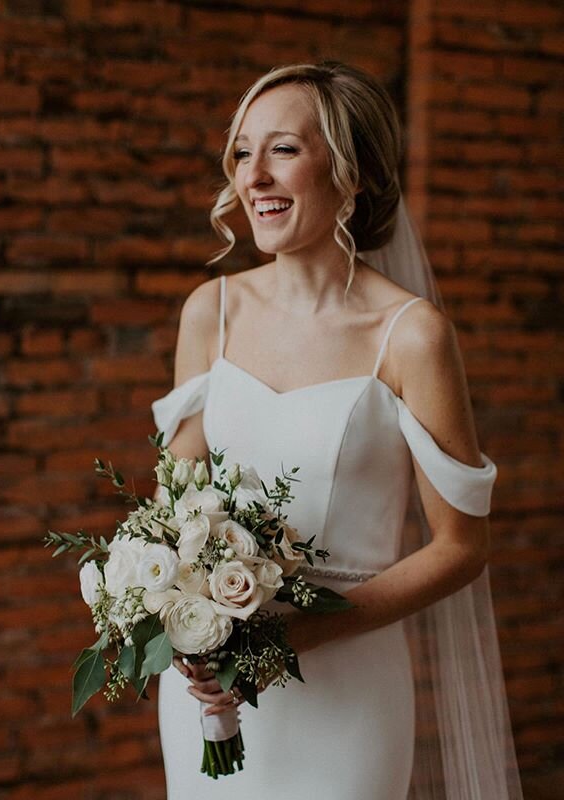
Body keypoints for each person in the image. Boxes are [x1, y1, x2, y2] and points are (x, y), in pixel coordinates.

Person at [151, 63, 523, 800]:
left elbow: (461, 546)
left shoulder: (411, 337)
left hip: (348, 687)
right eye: (242, 152)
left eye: (283, 149)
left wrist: (304, 632)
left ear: (351, 174)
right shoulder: (210, 312)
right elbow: (174, 507)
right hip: (210, 691)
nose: (253, 175)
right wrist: (174, 604)